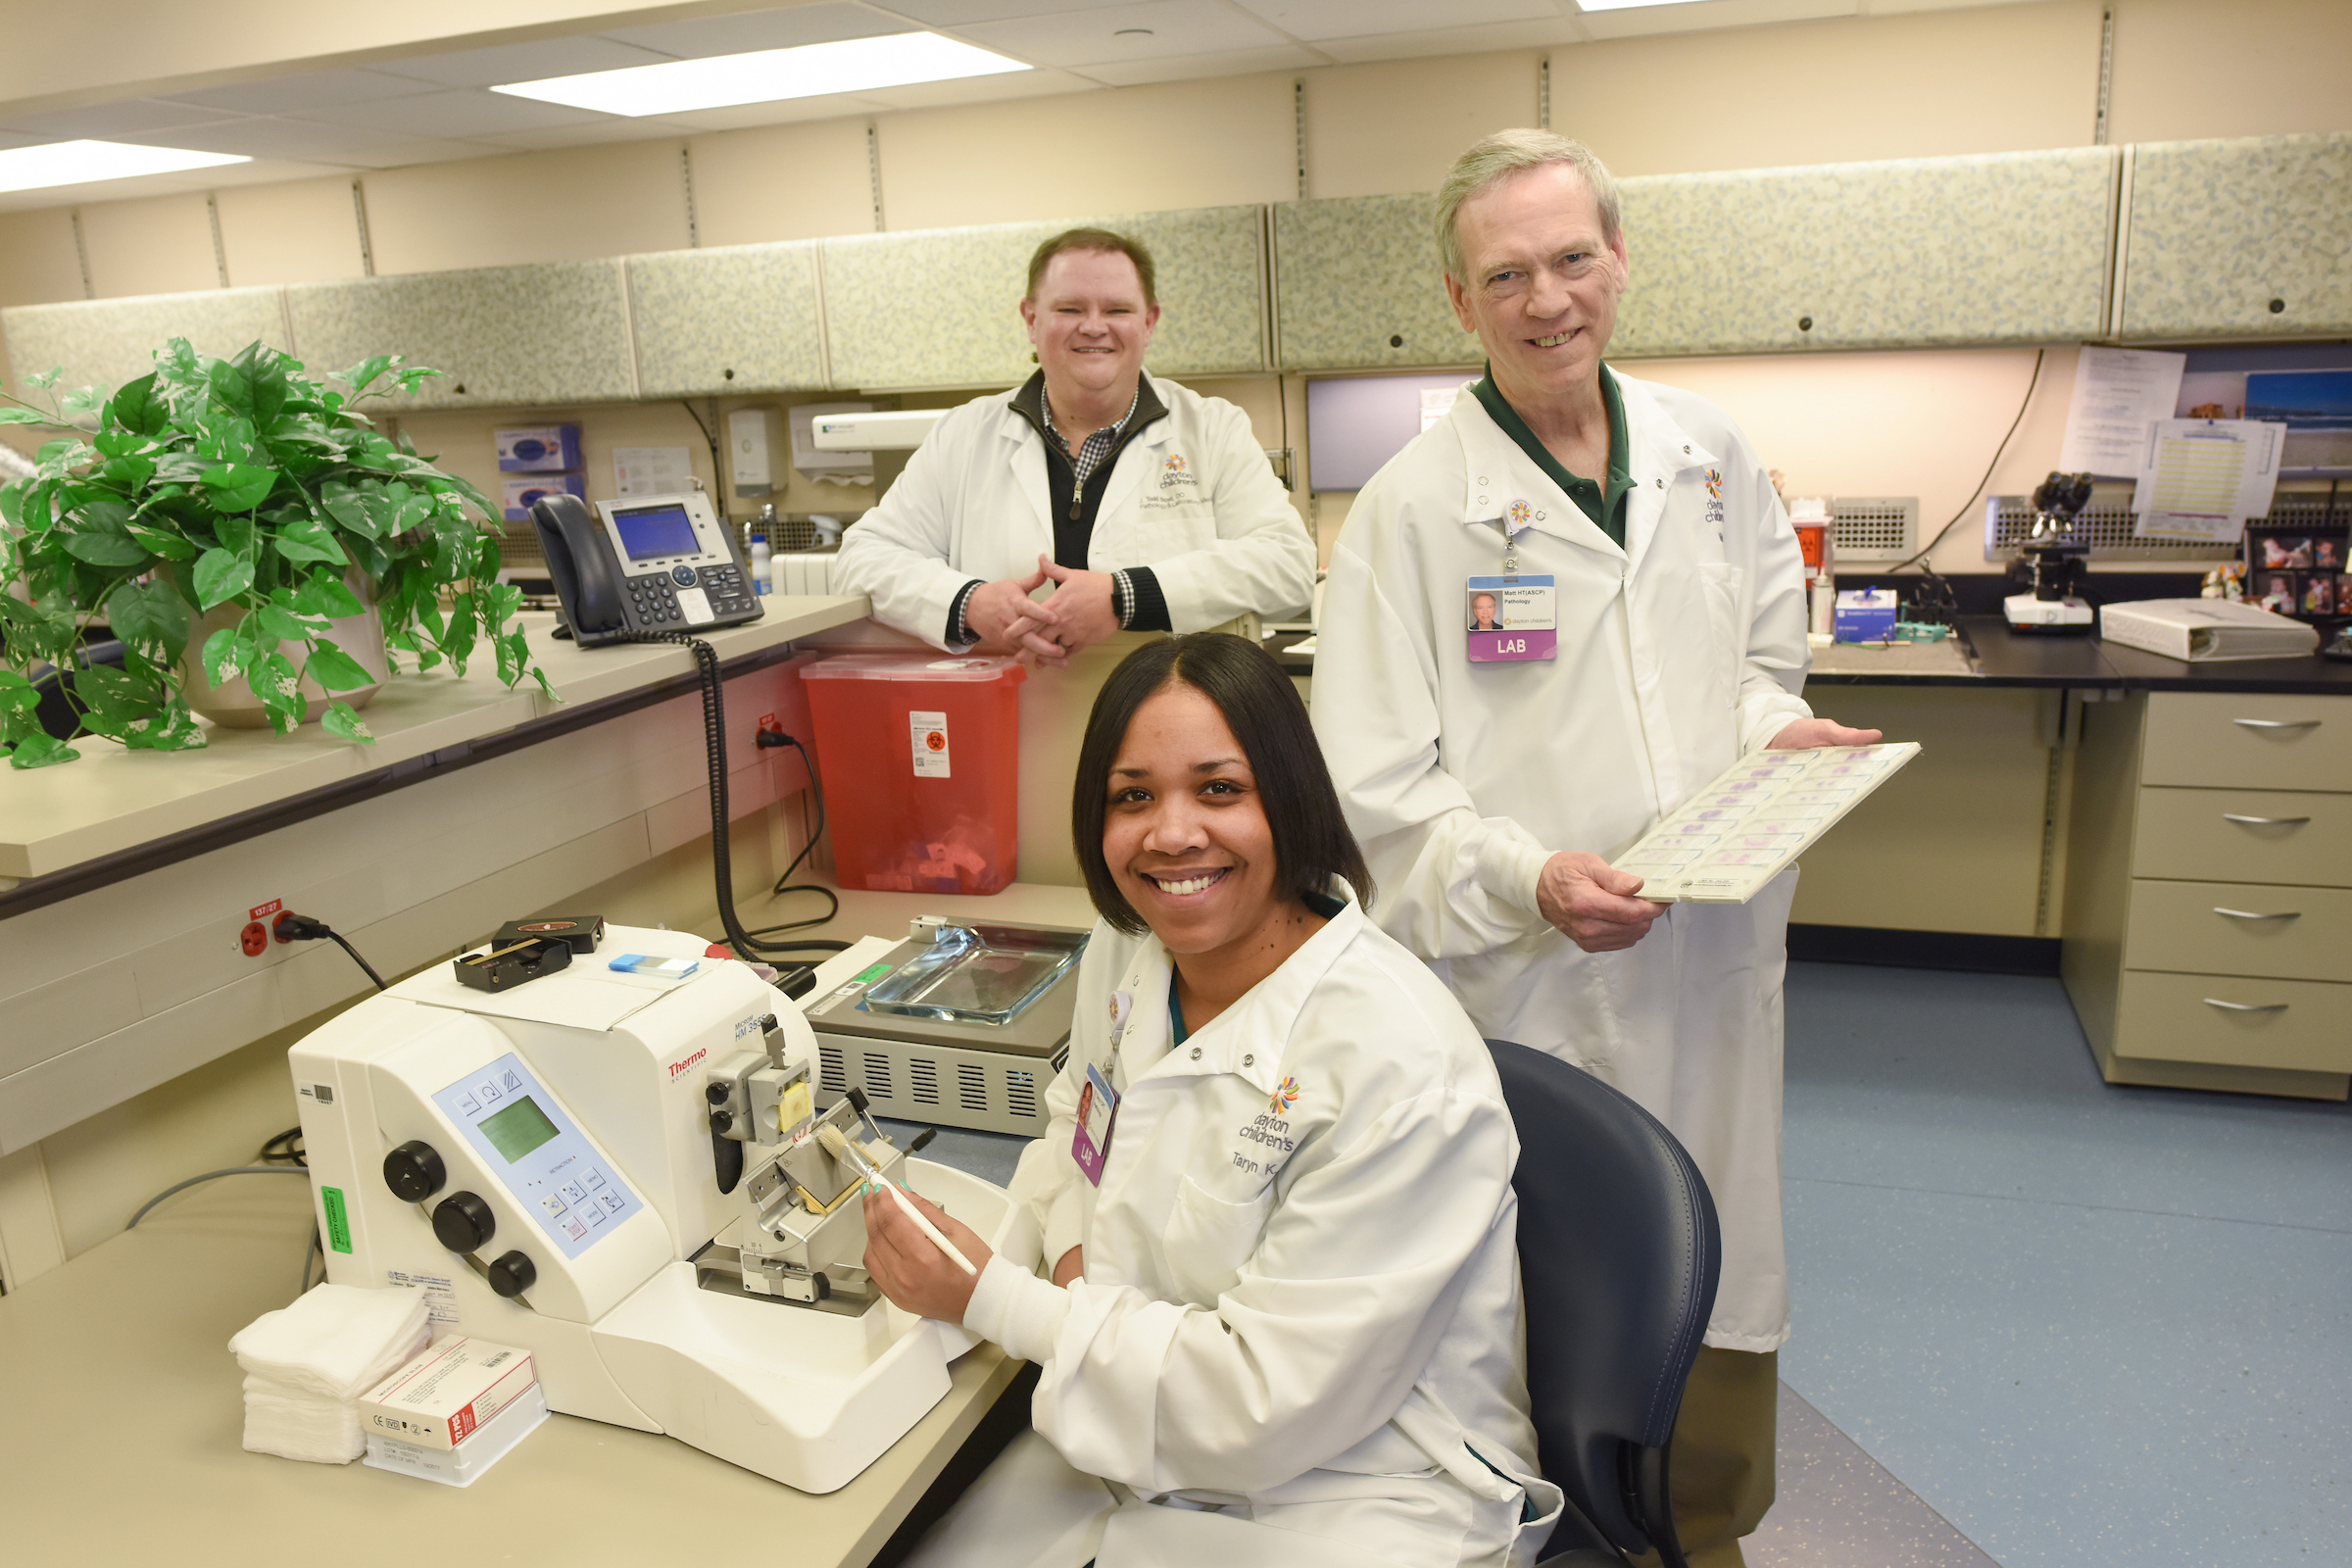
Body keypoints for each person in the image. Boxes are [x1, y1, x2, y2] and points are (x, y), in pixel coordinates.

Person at [1308, 130, 1883, 1568]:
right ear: (1461, 301)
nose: (1548, 297)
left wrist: (1780, 740)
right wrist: (1531, 881)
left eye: (1573, 259)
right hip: (1526, 984)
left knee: (1721, 1261)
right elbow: (1377, 792)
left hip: (1708, 953)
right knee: (1542, 1298)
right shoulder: (1411, 513)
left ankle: (1702, 1527)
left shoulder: (1710, 459)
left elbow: (1755, 669)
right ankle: (1558, 1531)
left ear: (1618, 262)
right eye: (1508, 273)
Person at [864, 633, 1560, 1568]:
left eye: (1220, 789)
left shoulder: (1398, 1062)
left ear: (1290, 797)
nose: (1172, 834)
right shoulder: (1137, 950)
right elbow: (1077, 1119)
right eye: (1134, 796)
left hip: (1363, 1484)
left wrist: (999, 1298)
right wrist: (1074, 1260)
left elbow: (1266, 1403)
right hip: (1145, 1421)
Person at [833, 229, 1313, 664]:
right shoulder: (963, 435)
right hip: (1012, 721)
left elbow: (1288, 565)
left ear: (1148, 322)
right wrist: (968, 602)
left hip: (1173, 729)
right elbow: (862, 561)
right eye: (1070, 309)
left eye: (1117, 310)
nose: (1093, 326)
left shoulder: (1212, 430)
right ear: (1031, 319)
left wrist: (1123, 597)